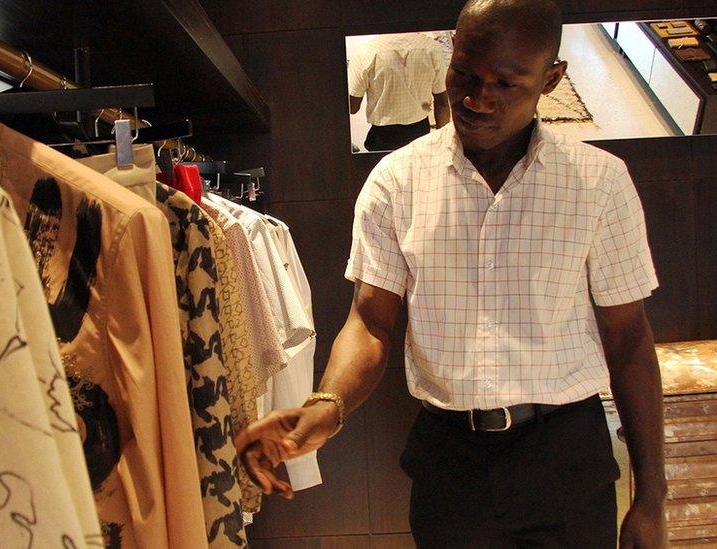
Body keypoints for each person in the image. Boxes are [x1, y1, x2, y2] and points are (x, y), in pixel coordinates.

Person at [237, 0, 668, 547]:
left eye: (506, 83)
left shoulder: (600, 184)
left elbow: (628, 338)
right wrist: (326, 406)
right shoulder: (397, 181)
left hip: (566, 455)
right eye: (464, 73)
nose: (476, 98)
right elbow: (370, 323)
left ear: (552, 78)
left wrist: (652, 494)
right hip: (451, 463)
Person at [348, 32, 451, 152]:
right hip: (420, 134)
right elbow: (443, 103)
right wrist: (441, 145)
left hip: (382, 138)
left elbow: (352, 107)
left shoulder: (365, 52)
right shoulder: (432, 48)